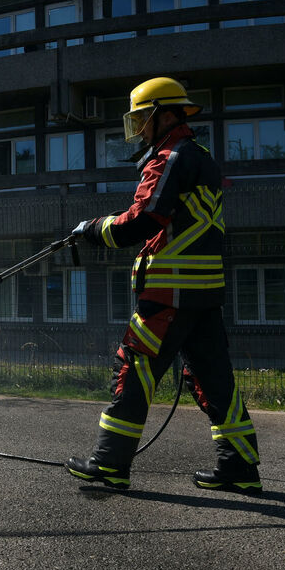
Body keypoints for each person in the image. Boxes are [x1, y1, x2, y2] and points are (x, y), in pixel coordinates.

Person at [66, 76, 261, 495]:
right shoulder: (201, 157)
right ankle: (240, 466)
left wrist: (92, 228)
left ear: (165, 115)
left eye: (142, 119)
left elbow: (141, 220)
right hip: (204, 294)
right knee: (214, 379)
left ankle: (109, 464)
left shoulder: (170, 157)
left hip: (170, 293)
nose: (139, 130)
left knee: (133, 368)